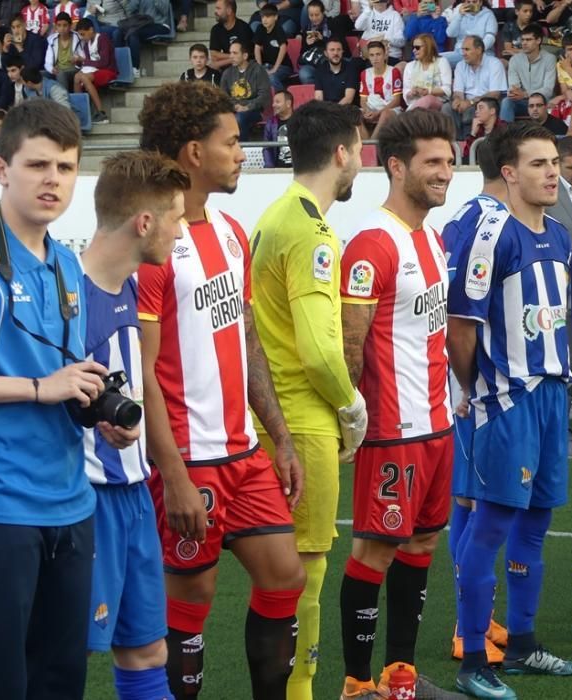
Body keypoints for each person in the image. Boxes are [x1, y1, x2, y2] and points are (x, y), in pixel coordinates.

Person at [138, 80, 306, 700]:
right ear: (191, 152)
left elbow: (248, 342)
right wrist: (174, 473)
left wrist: (280, 438)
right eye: (231, 142)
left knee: (283, 577)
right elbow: (145, 370)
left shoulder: (232, 232)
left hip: (243, 453)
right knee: (193, 597)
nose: (242, 153)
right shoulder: (155, 242)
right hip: (190, 458)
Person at [0, 98, 106, 700]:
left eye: (66, 168)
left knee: (60, 680)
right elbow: (41, 380)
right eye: (38, 165)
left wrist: (96, 407)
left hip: (71, 503)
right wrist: (39, 389)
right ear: (0, 169)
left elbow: (62, 370)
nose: (53, 180)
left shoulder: (68, 262)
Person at [448, 122, 572, 700]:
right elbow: (460, 328)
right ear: (509, 172)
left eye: (554, 161)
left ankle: (525, 643)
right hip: (506, 401)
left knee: (534, 527)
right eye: (538, 164)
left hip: (554, 396)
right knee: (490, 528)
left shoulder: (558, 233)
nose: (552, 172)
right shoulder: (491, 234)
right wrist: (478, 387)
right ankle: (474, 658)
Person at [338, 109, 460, 700]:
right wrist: (354, 422)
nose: (445, 171)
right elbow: (349, 343)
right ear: (395, 166)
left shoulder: (431, 238)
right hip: (392, 430)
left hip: (437, 425)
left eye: (449, 159)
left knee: (422, 543)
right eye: (432, 162)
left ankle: (400, 677)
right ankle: (358, 685)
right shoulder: (372, 244)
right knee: (375, 549)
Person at [251, 99, 366, 700]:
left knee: (279, 573)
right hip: (306, 420)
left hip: (271, 414)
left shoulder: (274, 214)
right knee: (306, 573)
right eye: (359, 153)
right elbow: (320, 350)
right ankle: (299, 691)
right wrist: (352, 406)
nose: (359, 167)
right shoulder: (311, 230)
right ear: (341, 153)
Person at [81, 150, 191, 700]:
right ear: (144, 223)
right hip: (85, 502)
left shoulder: (127, 285)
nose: (181, 230)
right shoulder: (67, 297)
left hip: (132, 494)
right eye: (175, 217)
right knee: (62, 655)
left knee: (148, 649)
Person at [441, 138, 509, 668]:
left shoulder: (465, 217)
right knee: (469, 500)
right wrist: (464, 384)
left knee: (473, 498)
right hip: (475, 384)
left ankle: (478, 617)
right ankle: (467, 628)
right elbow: (460, 316)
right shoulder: (486, 224)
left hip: (472, 381)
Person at [446, 34, 507, 140]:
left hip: (487, 103)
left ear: (479, 50)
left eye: (467, 49)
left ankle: (468, 143)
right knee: (446, 108)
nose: (463, 53)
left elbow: (495, 94)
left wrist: (470, 103)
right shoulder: (460, 65)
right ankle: (457, 143)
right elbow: (458, 91)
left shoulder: (494, 64)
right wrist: (457, 100)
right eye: (463, 50)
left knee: (472, 111)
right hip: (466, 102)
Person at [502, 24, 557, 122]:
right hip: (524, 103)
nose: (524, 43)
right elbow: (514, 87)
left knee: (542, 104)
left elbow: (548, 90)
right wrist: (513, 93)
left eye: (528, 40)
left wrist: (525, 94)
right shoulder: (514, 60)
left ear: (538, 41)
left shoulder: (550, 59)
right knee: (507, 101)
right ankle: (506, 135)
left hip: (543, 103)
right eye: (522, 40)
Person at [220, 41, 270, 140]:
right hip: (234, 109)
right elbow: (223, 96)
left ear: (245, 55)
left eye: (235, 53)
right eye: (230, 53)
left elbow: (264, 96)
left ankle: (242, 149)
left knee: (239, 118)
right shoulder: (227, 73)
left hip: (254, 110)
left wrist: (247, 107)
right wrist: (234, 106)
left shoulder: (258, 70)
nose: (231, 56)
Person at [73, 17, 117, 125]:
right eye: (80, 35)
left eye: (83, 34)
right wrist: (79, 62)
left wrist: (84, 61)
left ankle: (101, 112)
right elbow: (87, 63)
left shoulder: (102, 39)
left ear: (91, 30)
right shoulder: (87, 45)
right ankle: (81, 112)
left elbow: (104, 63)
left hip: (108, 71)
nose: (82, 38)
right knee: (76, 77)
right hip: (94, 71)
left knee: (84, 77)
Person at [359, 40, 403, 137]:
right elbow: (363, 100)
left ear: (384, 55)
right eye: (372, 55)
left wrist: (378, 113)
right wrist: (366, 111)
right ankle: (366, 142)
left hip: (390, 109)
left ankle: (372, 143)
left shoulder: (393, 71)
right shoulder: (365, 73)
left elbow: (397, 100)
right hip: (371, 108)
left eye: (378, 54)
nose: (375, 58)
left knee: (385, 114)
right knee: (354, 113)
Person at [123, 0, 174, 77]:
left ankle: (135, 68)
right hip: (142, 25)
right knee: (130, 34)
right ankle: (134, 68)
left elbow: (164, 10)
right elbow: (129, 10)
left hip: (160, 24)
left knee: (133, 33)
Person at [403, 32, 451, 110]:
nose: (414, 50)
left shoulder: (442, 62)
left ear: (428, 47)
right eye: (413, 48)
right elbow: (406, 90)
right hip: (416, 101)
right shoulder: (410, 66)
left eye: (417, 47)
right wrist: (412, 92)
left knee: (427, 100)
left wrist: (428, 91)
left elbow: (447, 89)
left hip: (437, 101)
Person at [443, 0, 498, 67]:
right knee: (437, 60)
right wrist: (459, 16)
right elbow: (450, 33)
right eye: (468, 2)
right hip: (460, 53)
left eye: (474, 2)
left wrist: (476, 50)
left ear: (480, 3)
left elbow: (490, 37)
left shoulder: (489, 15)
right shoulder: (460, 14)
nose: (471, 4)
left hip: (482, 53)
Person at [254, 3, 293, 90]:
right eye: (263, 17)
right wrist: (260, 67)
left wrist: (275, 68)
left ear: (275, 17)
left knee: (271, 77)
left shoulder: (278, 29)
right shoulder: (260, 28)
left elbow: (283, 48)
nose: (264, 20)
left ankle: (281, 97)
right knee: (253, 75)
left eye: (267, 17)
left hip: (283, 66)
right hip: (266, 65)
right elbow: (257, 48)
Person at [209, 0, 254, 69]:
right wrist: (233, 56)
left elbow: (244, 57)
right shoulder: (216, 29)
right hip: (228, 65)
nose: (215, 12)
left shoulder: (244, 28)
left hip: (245, 66)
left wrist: (219, 63)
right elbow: (213, 55)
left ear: (229, 11)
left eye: (218, 8)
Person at [314, 36, 358, 104]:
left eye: (338, 50)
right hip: (326, 110)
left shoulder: (351, 69)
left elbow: (348, 98)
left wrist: (334, 112)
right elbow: (318, 97)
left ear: (342, 52)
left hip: (345, 110)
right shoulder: (320, 70)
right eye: (332, 50)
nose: (336, 53)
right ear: (326, 53)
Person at [45, 12, 80, 91]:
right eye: (59, 25)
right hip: (58, 71)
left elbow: (84, 57)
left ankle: (64, 101)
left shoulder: (78, 37)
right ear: (56, 26)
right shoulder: (52, 40)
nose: (62, 28)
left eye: (65, 25)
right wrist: (51, 69)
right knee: (40, 75)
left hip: (73, 70)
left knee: (60, 74)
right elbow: (47, 62)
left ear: (70, 26)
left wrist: (78, 59)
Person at [463, 95, 505, 160]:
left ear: (492, 111)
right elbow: (467, 154)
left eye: (481, 108)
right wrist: (473, 133)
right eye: (476, 109)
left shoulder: (504, 128)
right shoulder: (478, 129)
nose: (476, 111)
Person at [262, 88, 294, 168]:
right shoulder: (270, 123)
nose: (273, 105)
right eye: (273, 102)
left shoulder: (300, 121)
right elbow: (267, 148)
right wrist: (270, 169)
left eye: (277, 102)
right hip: (278, 170)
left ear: (288, 104)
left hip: (298, 170)